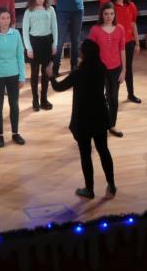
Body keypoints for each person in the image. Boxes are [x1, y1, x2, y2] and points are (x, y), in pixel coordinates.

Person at [46, 39, 116, 199]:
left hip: (83, 119)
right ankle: (111, 184)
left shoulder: (78, 73)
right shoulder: (101, 68)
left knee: (86, 155)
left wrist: (50, 76)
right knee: (104, 150)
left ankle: (89, 189)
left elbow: (58, 87)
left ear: (84, 54)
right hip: (99, 116)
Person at [0, 7, 26, 148]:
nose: (5, 21)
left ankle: (15, 133)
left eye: (8, 18)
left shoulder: (16, 34)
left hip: (14, 75)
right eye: (3, 18)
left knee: (14, 105)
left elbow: (20, 55)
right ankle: (0, 135)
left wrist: (22, 76)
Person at [89, 2, 126, 137]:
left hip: (116, 68)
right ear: (101, 15)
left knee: (113, 98)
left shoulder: (120, 29)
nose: (109, 16)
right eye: (106, 14)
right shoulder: (95, 30)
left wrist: (124, 70)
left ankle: (112, 125)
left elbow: (122, 50)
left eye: (111, 14)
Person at [50, 0, 86, 76]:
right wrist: (61, 6)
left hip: (78, 11)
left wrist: (78, 4)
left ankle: (74, 66)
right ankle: (55, 68)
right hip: (62, 12)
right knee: (60, 41)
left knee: (75, 39)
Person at [22, 0, 58, 111]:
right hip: (34, 43)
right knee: (34, 73)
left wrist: (54, 44)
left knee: (46, 73)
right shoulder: (29, 12)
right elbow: (25, 31)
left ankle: (44, 99)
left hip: (47, 42)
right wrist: (28, 48)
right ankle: (35, 99)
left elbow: (54, 28)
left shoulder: (50, 10)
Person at [111, 0, 141, 103]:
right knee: (115, 70)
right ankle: (112, 96)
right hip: (115, 44)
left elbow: (133, 24)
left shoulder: (131, 6)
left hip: (128, 42)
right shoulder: (111, 6)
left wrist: (137, 43)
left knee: (128, 68)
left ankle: (131, 94)